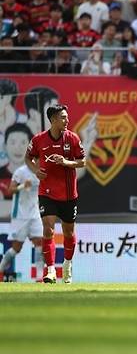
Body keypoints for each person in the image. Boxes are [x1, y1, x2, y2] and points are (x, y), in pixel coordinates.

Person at [25, 105, 86, 284]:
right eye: (63, 117)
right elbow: (28, 158)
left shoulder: (72, 138)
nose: (67, 120)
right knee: (48, 229)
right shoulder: (38, 140)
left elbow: (83, 161)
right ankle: (50, 270)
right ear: (53, 120)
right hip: (47, 192)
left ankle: (67, 265)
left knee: (68, 232)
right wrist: (36, 170)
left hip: (68, 194)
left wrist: (66, 162)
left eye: (67, 117)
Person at [0, 160, 44, 282]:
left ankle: (39, 278)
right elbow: (10, 190)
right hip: (20, 215)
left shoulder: (42, 173)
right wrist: (23, 186)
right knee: (16, 248)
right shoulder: (21, 172)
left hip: (35, 215)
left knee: (40, 243)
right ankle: (1, 269)